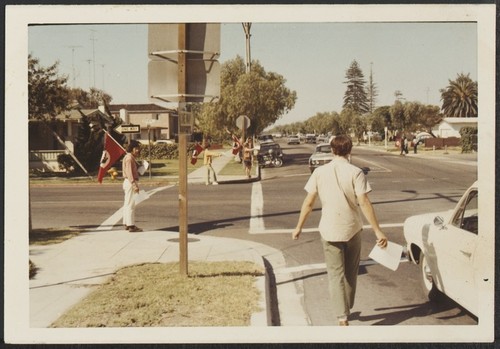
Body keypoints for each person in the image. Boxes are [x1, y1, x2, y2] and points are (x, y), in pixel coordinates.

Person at [292, 135, 388, 326]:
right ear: (350, 150)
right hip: (352, 228)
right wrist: (378, 231)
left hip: (329, 230)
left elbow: (309, 202)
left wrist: (299, 227)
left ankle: (342, 316)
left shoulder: (319, 172)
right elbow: (364, 202)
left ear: (332, 150)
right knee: (351, 272)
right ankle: (347, 305)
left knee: (335, 274)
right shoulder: (356, 172)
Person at [122, 140, 143, 232]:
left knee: (127, 203)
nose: (138, 150)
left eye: (138, 148)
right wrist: (135, 185)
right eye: (136, 148)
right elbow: (130, 174)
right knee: (131, 204)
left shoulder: (129, 157)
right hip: (130, 183)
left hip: (128, 182)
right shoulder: (129, 158)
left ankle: (126, 223)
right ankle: (131, 225)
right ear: (132, 149)